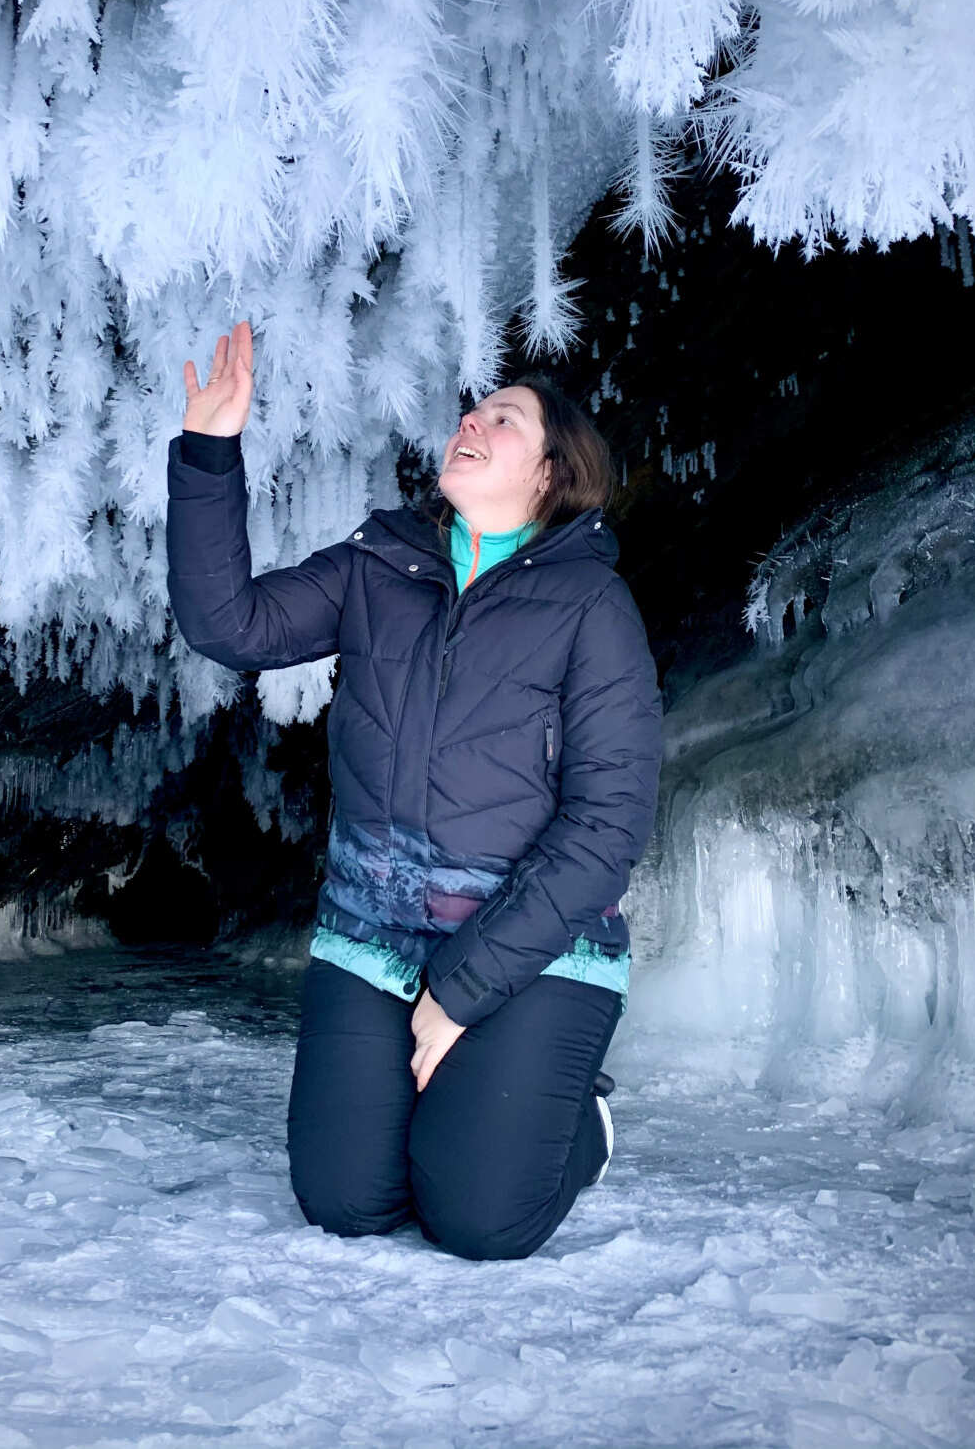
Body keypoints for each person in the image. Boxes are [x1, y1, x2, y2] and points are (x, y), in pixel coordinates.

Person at [167, 319, 663, 1261]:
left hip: (529, 951)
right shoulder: (379, 565)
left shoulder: (591, 608)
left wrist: (462, 990)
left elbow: (608, 823)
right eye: (472, 411)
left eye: (504, 420)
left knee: (480, 1220)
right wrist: (209, 450)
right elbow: (231, 625)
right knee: (346, 1204)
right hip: (373, 932)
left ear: (552, 474)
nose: (471, 423)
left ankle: (578, 1129)